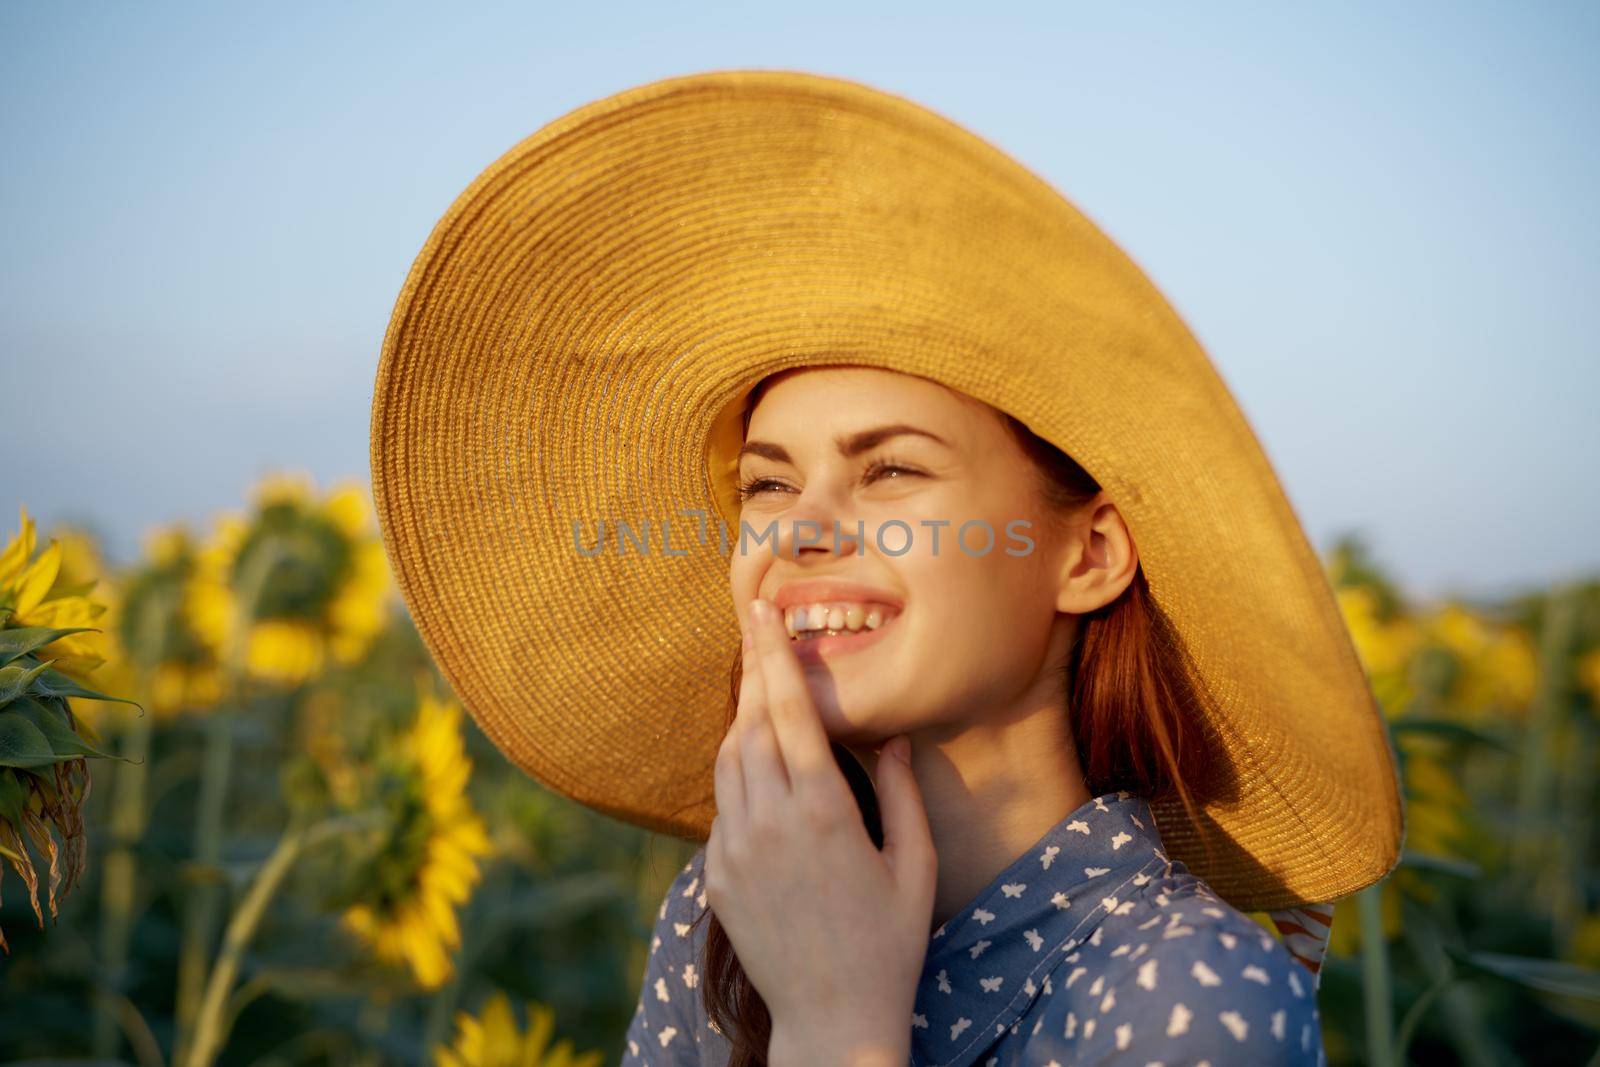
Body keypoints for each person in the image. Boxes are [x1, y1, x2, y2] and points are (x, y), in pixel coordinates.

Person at [368, 69, 1405, 1067]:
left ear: (1087, 554)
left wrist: (835, 1031)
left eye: (892, 469)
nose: (796, 532)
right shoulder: (724, 910)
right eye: (767, 487)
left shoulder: (1187, 990)